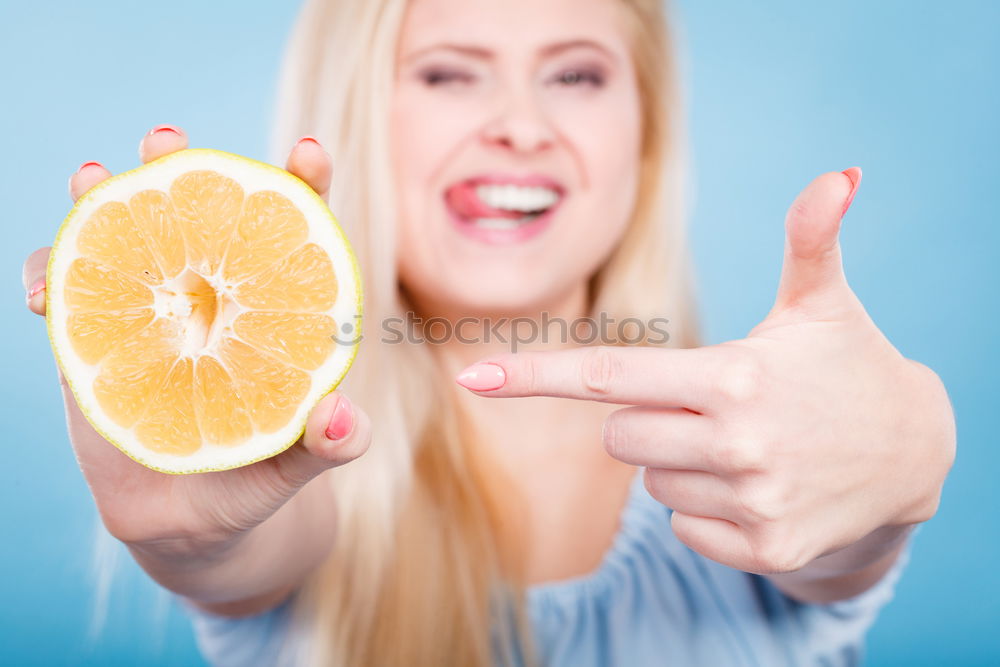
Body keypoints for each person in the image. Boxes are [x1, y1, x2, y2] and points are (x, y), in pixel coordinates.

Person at [21, 0, 956, 665]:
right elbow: (245, 551)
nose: (518, 124)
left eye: (576, 73)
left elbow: (832, 543)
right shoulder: (315, 466)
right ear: (358, 110)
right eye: (448, 73)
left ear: (646, 131)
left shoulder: (756, 447)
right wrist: (190, 527)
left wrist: (908, 443)